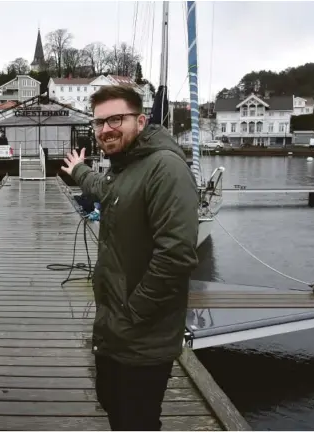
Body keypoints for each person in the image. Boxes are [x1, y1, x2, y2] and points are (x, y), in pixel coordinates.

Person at [61, 85, 199, 431]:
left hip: (143, 333)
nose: (106, 129)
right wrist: (79, 171)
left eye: (116, 119)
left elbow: (177, 255)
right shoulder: (124, 167)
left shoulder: (165, 168)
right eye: (99, 122)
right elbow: (106, 191)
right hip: (115, 329)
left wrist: (133, 311)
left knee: (136, 420)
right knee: (112, 403)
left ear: (140, 120)